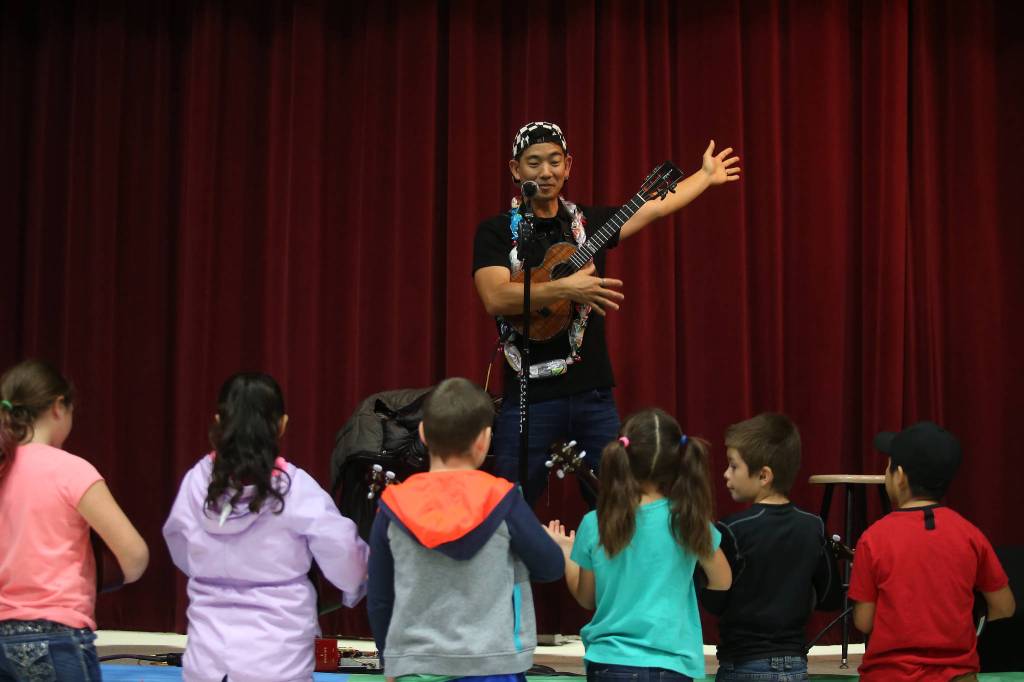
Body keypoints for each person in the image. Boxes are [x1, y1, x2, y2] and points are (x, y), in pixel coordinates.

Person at [473, 121, 741, 505]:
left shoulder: (586, 225)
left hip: (592, 393)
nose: (546, 172)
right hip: (530, 395)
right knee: (507, 508)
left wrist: (705, 176)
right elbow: (495, 297)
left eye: (554, 162)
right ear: (516, 170)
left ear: (569, 166)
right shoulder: (497, 232)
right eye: (534, 163)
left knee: (619, 504)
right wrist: (566, 287)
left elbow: (654, 207)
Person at [163, 372, 369, 682]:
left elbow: (179, 546)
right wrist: (356, 586)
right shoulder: (296, 488)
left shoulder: (197, 481)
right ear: (282, 425)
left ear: (219, 421)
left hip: (208, 661)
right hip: (278, 663)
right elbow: (346, 558)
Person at [367, 377, 564, 679]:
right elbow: (550, 567)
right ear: (484, 440)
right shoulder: (505, 500)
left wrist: (389, 656)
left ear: (422, 434)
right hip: (494, 665)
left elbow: (380, 596)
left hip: (415, 666)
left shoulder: (392, 506)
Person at [545, 408, 732, 681]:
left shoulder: (594, 522)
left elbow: (587, 597)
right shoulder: (690, 520)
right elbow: (722, 581)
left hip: (609, 662)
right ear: (678, 459)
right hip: (672, 665)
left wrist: (564, 553)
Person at [0, 359, 149, 681]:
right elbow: (135, 556)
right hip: (57, 636)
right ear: (58, 407)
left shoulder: (3, 467)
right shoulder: (70, 470)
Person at [849, 421, 1016, 682]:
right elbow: (1005, 607)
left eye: (888, 465)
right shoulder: (970, 534)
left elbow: (864, 622)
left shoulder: (873, 539)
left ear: (900, 476)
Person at [703, 413, 842, 682]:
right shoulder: (813, 526)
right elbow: (830, 597)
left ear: (764, 475)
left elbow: (714, 602)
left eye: (733, 466)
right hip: (795, 665)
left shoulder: (732, 530)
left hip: (743, 666)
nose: (725, 474)